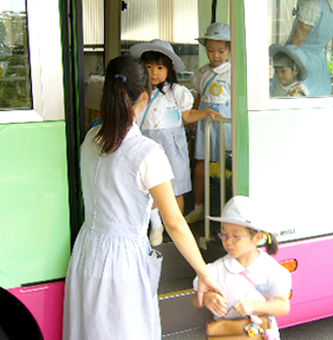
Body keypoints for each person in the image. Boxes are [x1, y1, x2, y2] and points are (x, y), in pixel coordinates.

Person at [63, 56, 223, 340]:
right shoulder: (147, 152)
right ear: (145, 96)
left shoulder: (90, 139)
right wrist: (204, 272)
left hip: (86, 251)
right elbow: (174, 222)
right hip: (123, 261)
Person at [129, 39, 221, 246]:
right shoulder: (138, 92)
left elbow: (187, 116)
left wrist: (205, 112)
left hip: (172, 146)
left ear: (169, 69)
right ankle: (155, 225)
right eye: (149, 67)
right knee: (149, 187)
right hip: (146, 143)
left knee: (176, 188)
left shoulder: (177, 93)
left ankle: (175, 224)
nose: (154, 72)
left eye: (160, 67)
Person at [192, 195, 291, 340]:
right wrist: (208, 297)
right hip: (226, 335)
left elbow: (283, 307)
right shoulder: (215, 269)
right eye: (224, 235)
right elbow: (197, 299)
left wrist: (253, 306)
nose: (228, 242)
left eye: (236, 236)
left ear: (257, 238)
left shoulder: (272, 270)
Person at [185, 22, 232, 224]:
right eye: (211, 51)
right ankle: (198, 206)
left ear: (230, 50)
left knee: (228, 164)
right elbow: (199, 97)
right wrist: (193, 119)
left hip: (225, 123)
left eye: (221, 51)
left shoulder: (232, 73)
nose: (215, 56)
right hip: (205, 121)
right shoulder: (201, 73)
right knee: (201, 164)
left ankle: (229, 208)